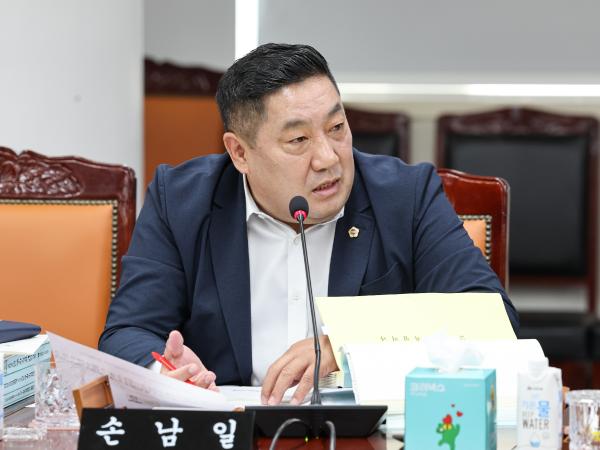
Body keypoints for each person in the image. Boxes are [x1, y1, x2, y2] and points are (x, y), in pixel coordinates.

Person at [99, 43, 518, 406]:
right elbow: (127, 332)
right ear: (240, 153)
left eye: (337, 128)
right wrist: (166, 374)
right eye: (298, 140)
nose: (329, 158)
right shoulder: (181, 201)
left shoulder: (405, 196)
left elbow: (491, 317)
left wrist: (348, 343)